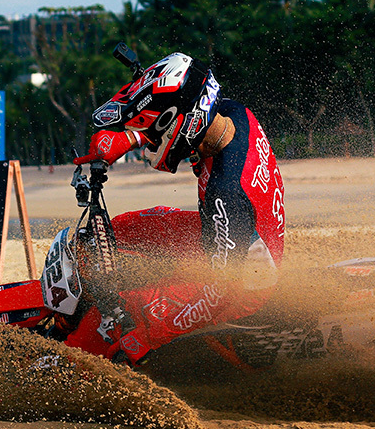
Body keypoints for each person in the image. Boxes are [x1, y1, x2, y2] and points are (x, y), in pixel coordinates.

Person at [64, 51, 285, 367]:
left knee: (115, 314)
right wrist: (128, 138)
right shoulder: (233, 115)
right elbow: (181, 110)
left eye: (154, 133)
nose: (151, 142)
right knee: (124, 228)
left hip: (246, 283)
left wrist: (149, 336)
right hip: (238, 235)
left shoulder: (226, 192)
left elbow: (221, 293)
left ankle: (74, 360)